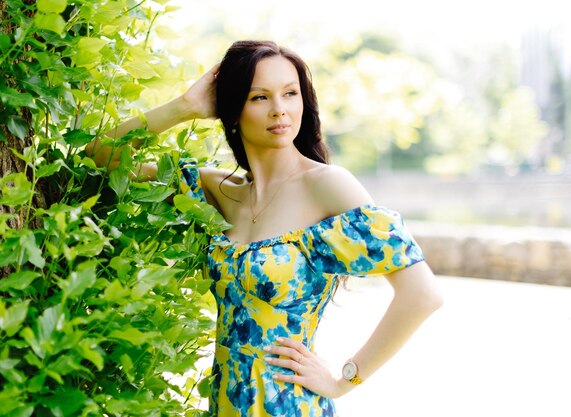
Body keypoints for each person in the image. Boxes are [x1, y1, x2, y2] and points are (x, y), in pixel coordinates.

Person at [86, 40, 443, 417]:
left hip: (289, 405)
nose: (280, 110)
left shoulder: (327, 185)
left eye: (290, 93)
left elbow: (422, 295)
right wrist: (183, 108)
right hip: (226, 403)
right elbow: (98, 159)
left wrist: (344, 379)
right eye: (259, 97)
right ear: (234, 111)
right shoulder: (218, 190)